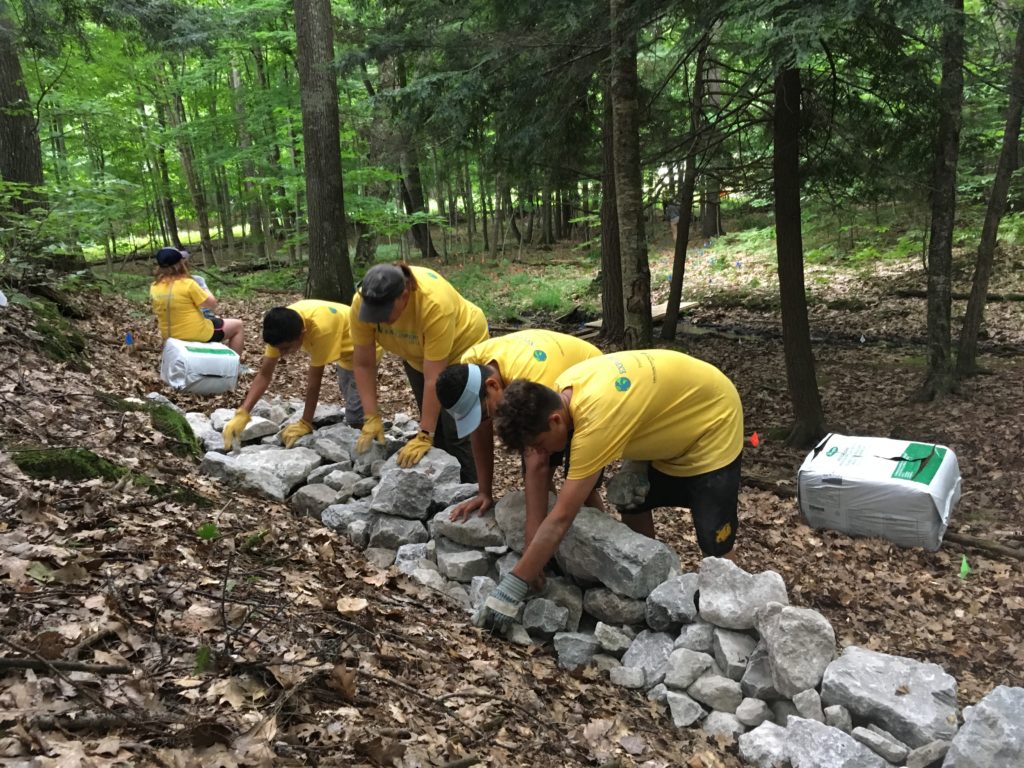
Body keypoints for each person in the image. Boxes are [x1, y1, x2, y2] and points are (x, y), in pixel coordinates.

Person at [475, 349, 743, 630]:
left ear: (555, 420)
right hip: (667, 416)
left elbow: (561, 518)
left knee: (714, 535)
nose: (540, 452)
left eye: (540, 444)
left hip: (712, 416)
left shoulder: (595, 421)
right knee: (633, 498)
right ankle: (651, 586)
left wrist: (513, 587)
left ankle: (731, 616)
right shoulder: (558, 392)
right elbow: (540, 463)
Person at [435, 329, 603, 547]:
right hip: (553, 366)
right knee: (540, 479)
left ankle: (601, 542)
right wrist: (484, 492)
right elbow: (480, 427)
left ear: (493, 386)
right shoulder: (472, 367)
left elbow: (538, 464)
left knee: (581, 482)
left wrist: (531, 546)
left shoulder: (534, 387)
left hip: (589, 385)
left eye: (486, 413)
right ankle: (557, 542)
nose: (488, 419)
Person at [350, 263, 488, 480]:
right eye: (374, 314)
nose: (379, 320)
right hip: (417, 355)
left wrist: (424, 434)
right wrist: (370, 416)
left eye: (384, 313)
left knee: (457, 432)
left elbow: (435, 377)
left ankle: (472, 492)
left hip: (463, 348)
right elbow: (363, 363)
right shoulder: (361, 304)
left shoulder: (434, 303)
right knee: (438, 428)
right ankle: (444, 486)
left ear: (405, 295)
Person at [221, 301, 380, 450]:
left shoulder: (322, 329)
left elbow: (314, 382)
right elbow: (264, 375)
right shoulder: (281, 327)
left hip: (364, 347)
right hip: (343, 350)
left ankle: (369, 451)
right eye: (279, 349)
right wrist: (243, 412)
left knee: (356, 416)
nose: (281, 354)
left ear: (302, 334)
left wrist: (305, 422)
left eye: (286, 348)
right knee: (354, 401)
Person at [149, 246, 244, 354]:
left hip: (169, 335)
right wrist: (203, 285)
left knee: (210, 319)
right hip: (195, 333)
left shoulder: (154, 286)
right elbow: (212, 304)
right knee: (238, 325)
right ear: (180, 264)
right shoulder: (188, 284)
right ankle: (236, 366)